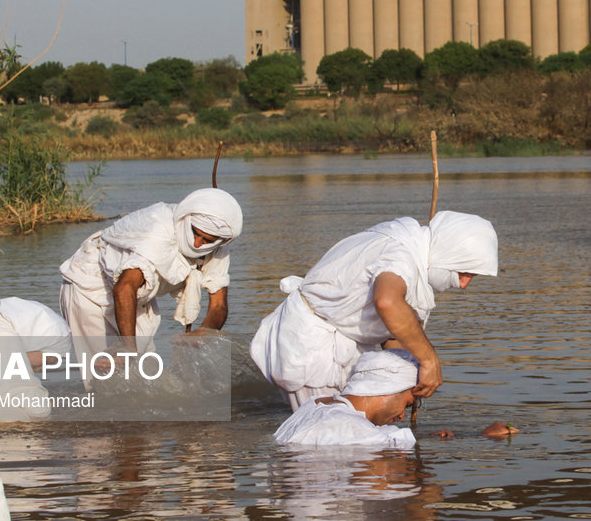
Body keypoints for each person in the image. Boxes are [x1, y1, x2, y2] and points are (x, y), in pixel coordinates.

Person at [251, 210, 498, 410]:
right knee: (327, 437)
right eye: (464, 273)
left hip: (341, 342)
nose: (464, 285)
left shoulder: (407, 250)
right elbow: (387, 302)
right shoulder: (401, 255)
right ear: (449, 254)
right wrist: (429, 360)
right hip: (314, 347)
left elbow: (394, 336)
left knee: (353, 430)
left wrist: (407, 384)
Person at [59, 188, 243, 370]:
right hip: (90, 285)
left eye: (207, 240)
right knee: (105, 370)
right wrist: (128, 347)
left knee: (146, 370)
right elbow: (124, 288)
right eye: (195, 233)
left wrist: (204, 333)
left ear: (220, 241)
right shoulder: (158, 231)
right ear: (187, 221)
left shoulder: (219, 249)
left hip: (136, 297)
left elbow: (218, 305)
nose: (197, 243)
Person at [273, 349, 420, 447]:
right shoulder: (349, 425)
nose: (402, 417)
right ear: (391, 389)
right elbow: (392, 445)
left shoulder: (314, 405)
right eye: (407, 405)